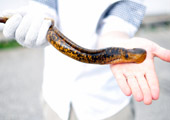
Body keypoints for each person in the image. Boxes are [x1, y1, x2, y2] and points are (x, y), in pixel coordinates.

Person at [2, 0, 170, 120]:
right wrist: (38, 19)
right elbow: (45, 9)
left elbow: (115, 30)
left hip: (106, 106)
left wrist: (122, 44)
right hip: (55, 97)